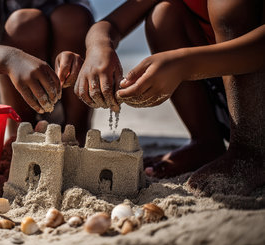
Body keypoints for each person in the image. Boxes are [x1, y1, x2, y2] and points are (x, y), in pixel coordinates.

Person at [69, 0, 265, 195]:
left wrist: (185, 65)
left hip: (255, 107)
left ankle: (250, 151)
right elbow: (110, 24)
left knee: (228, 6)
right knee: (163, 15)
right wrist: (99, 47)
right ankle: (206, 141)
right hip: (226, 103)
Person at [0, 0, 94, 146]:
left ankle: (76, 134)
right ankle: (20, 135)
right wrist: (12, 60)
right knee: (23, 24)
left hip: (68, 93)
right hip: (10, 92)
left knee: (72, 17)